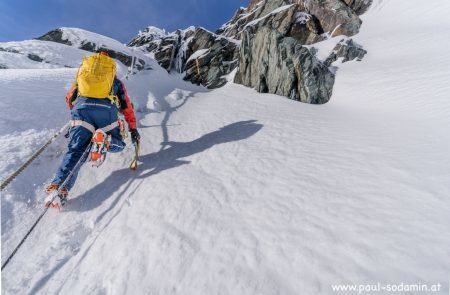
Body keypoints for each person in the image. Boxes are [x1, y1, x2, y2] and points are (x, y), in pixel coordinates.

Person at [45, 52, 140, 208]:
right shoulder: (115, 82)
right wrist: (133, 128)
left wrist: (78, 110)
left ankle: (59, 188)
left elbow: (69, 98)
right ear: (110, 69)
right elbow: (126, 106)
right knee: (120, 145)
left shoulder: (83, 77)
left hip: (81, 112)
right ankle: (106, 140)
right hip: (106, 114)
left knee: (76, 151)